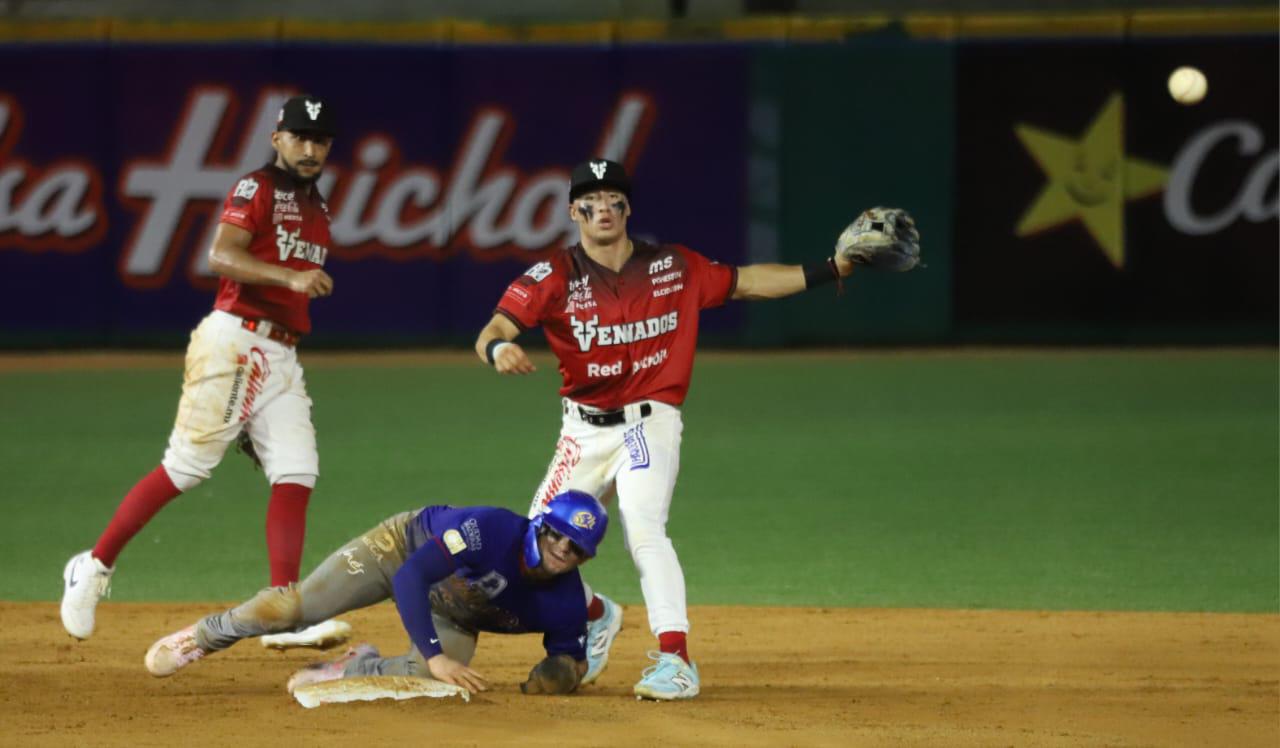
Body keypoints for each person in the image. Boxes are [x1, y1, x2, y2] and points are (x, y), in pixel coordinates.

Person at [474, 158, 920, 700]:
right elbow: (494, 326)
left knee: (644, 527)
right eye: (592, 200)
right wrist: (499, 347)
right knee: (531, 550)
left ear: (628, 208)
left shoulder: (672, 266)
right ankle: (595, 614)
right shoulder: (553, 277)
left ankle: (675, 661)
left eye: (615, 198)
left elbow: (750, 283)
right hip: (583, 432)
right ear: (574, 212)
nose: (605, 208)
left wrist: (834, 268)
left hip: (648, 421)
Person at [60, 94, 346, 650]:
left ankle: (282, 607)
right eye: (299, 137)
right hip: (236, 338)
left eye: (320, 140)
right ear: (277, 139)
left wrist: (295, 286)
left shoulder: (318, 206)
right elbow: (220, 255)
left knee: (297, 470)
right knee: (187, 467)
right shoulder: (256, 188)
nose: (310, 149)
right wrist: (289, 280)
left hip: (282, 354)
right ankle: (92, 565)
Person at [144, 490, 610, 697]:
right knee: (297, 609)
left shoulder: (566, 603)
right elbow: (412, 576)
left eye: (576, 548)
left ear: (584, 558)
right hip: (396, 553)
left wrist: (561, 673)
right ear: (540, 525)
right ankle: (205, 636)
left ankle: (356, 664)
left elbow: (569, 659)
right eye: (557, 535)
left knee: (432, 681)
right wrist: (436, 654)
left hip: (457, 614)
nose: (562, 550)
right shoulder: (487, 529)